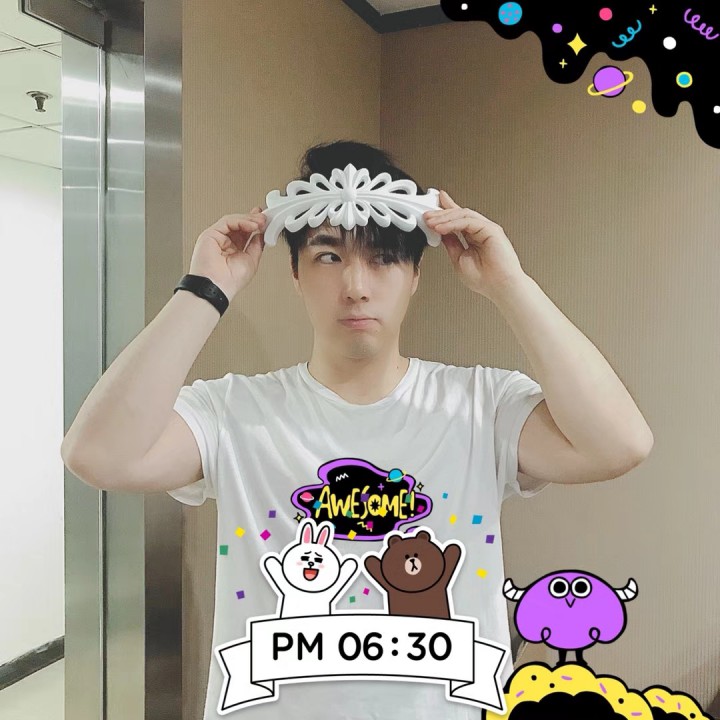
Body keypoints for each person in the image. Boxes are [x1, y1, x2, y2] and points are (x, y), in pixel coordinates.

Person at [61, 140, 654, 720]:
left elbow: (620, 444)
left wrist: (509, 283)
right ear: (294, 272)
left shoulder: (480, 405)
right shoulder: (233, 411)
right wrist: (206, 290)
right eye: (328, 256)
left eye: (383, 257)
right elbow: (97, 456)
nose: (356, 286)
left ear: (416, 274)